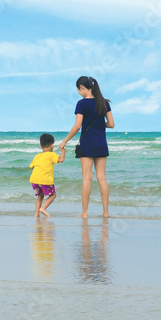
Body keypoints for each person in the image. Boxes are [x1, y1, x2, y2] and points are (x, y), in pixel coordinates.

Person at [58, 76, 114, 218]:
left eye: (78, 90)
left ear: (82, 87)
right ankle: (106, 212)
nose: (78, 93)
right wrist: (100, 125)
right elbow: (111, 124)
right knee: (102, 178)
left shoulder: (81, 104)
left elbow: (77, 126)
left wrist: (65, 141)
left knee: (87, 178)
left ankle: (84, 213)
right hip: (101, 143)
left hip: (87, 143)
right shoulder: (103, 103)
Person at [29, 133, 65, 217]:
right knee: (53, 195)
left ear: (40, 146)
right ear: (52, 145)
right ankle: (43, 208)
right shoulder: (52, 155)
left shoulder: (37, 156)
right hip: (45, 180)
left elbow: (31, 166)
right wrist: (63, 151)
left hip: (34, 180)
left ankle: (37, 213)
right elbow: (61, 159)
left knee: (40, 196)